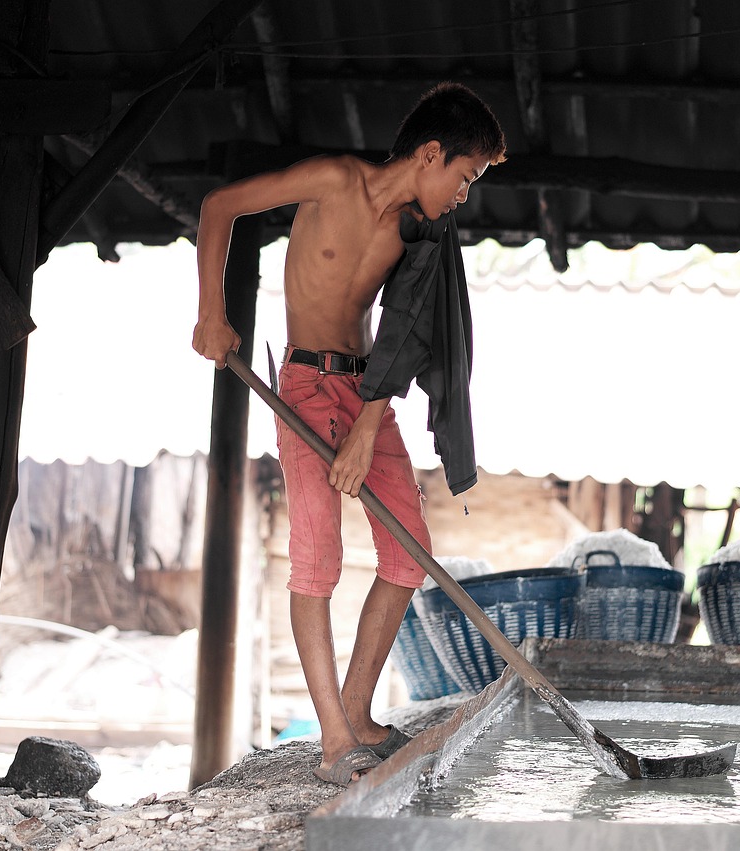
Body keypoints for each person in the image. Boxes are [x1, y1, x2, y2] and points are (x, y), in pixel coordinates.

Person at [192, 82, 506, 787]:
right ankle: (334, 738)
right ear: (430, 154)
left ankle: (360, 713)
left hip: (367, 394)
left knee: (408, 554)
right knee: (319, 557)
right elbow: (220, 207)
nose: (462, 196)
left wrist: (368, 425)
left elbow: (406, 332)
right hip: (302, 384)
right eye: (463, 178)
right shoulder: (333, 180)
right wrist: (211, 310)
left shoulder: (417, 232)